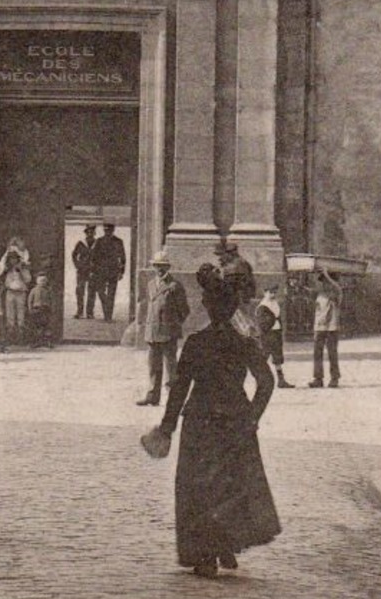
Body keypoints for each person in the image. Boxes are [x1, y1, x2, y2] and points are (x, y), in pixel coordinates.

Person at [154, 265, 280, 577]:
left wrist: (167, 428)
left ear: (209, 308)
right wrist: (252, 417)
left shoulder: (196, 343)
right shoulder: (244, 342)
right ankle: (225, 545)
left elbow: (179, 389)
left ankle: (204, 555)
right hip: (235, 420)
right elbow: (266, 382)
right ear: (232, 308)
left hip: (200, 422)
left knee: (197, 488)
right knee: (230, 486)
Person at [137, 251, 190, 406]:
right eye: (157, 265)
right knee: (153, 366)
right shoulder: (151, 284)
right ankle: (153, 395)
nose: (159, 269)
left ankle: (173, 398)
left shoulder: (175, 286)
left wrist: (172, 325)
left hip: (168, 333)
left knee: (171, 367)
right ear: (153, 266)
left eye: (162, 266)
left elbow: (184, 310)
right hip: (152, 332)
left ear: (168, 267)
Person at [255, 286, 294, 389]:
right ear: (265, 292)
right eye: (270, 292)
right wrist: (270, 324)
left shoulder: (274, 304)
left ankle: (281, 380)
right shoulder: (262, 306)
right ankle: (260, 381)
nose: (273, 295)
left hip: (276, 333)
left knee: (278, 357)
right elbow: (262, 324)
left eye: (274, 292)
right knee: (264, 358)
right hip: (267, 335)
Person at [309, 270, 342, 388]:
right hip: (319, 327)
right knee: (317, 353)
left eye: (327, 282)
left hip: (332, 328)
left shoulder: (337, 294)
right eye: (323, 282)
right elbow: (309, 291)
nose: (325, 284)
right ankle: (318, 378)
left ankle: (334, 378)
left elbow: (337, 287)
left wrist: (327, 275)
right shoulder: (320, 295)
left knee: (332, 353)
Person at [90, 222, 126, 321]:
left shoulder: (118, 241)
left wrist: (121, 272)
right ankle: (106, 307)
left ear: (113, 231)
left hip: (113, 271)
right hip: (100, 271)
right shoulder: (99, 241)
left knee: (111, 293)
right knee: (100, 291)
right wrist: (93, 271)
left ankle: (108, 316)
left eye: (109, 230)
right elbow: (93, 257)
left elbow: (123, 258)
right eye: (106, 230)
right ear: (104, 231)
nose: (107, 232)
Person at [1, 247, 31, 345]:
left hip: (20, 292)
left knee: (20, 314)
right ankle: (10, 337)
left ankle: (21, 337)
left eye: (15, 259)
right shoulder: (6, 270)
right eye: (11, 259)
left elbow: (28, 280)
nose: (13, 261)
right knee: (10, 314)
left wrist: (21, 271)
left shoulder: (23, 268)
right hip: (10, 292)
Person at [71, 224, 96, 318]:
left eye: (92, 232)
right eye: (88, 232)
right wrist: (78, 265)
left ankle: (90, 313)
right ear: (85, 233)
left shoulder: (97, 243)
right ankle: (79, 311)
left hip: (93, 271)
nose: (90, 234)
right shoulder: (80, 243)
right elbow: (74, 255)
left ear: (94, 233)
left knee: (91, 291)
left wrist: (97, 268)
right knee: (80, 291)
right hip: (81, 271)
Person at [27, 270, 54, 347]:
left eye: (44, 281)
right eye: (41, 281)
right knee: (37, 327)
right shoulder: (34, 290)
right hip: (36, 310)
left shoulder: (48, 290)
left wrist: (51, 308)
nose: (42, 282)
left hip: (45, 309)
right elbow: (30, 300)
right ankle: (37, 342)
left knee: (46, 326)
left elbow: (51, 300)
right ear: (37, 281)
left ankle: (47, 342)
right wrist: (30, 309)